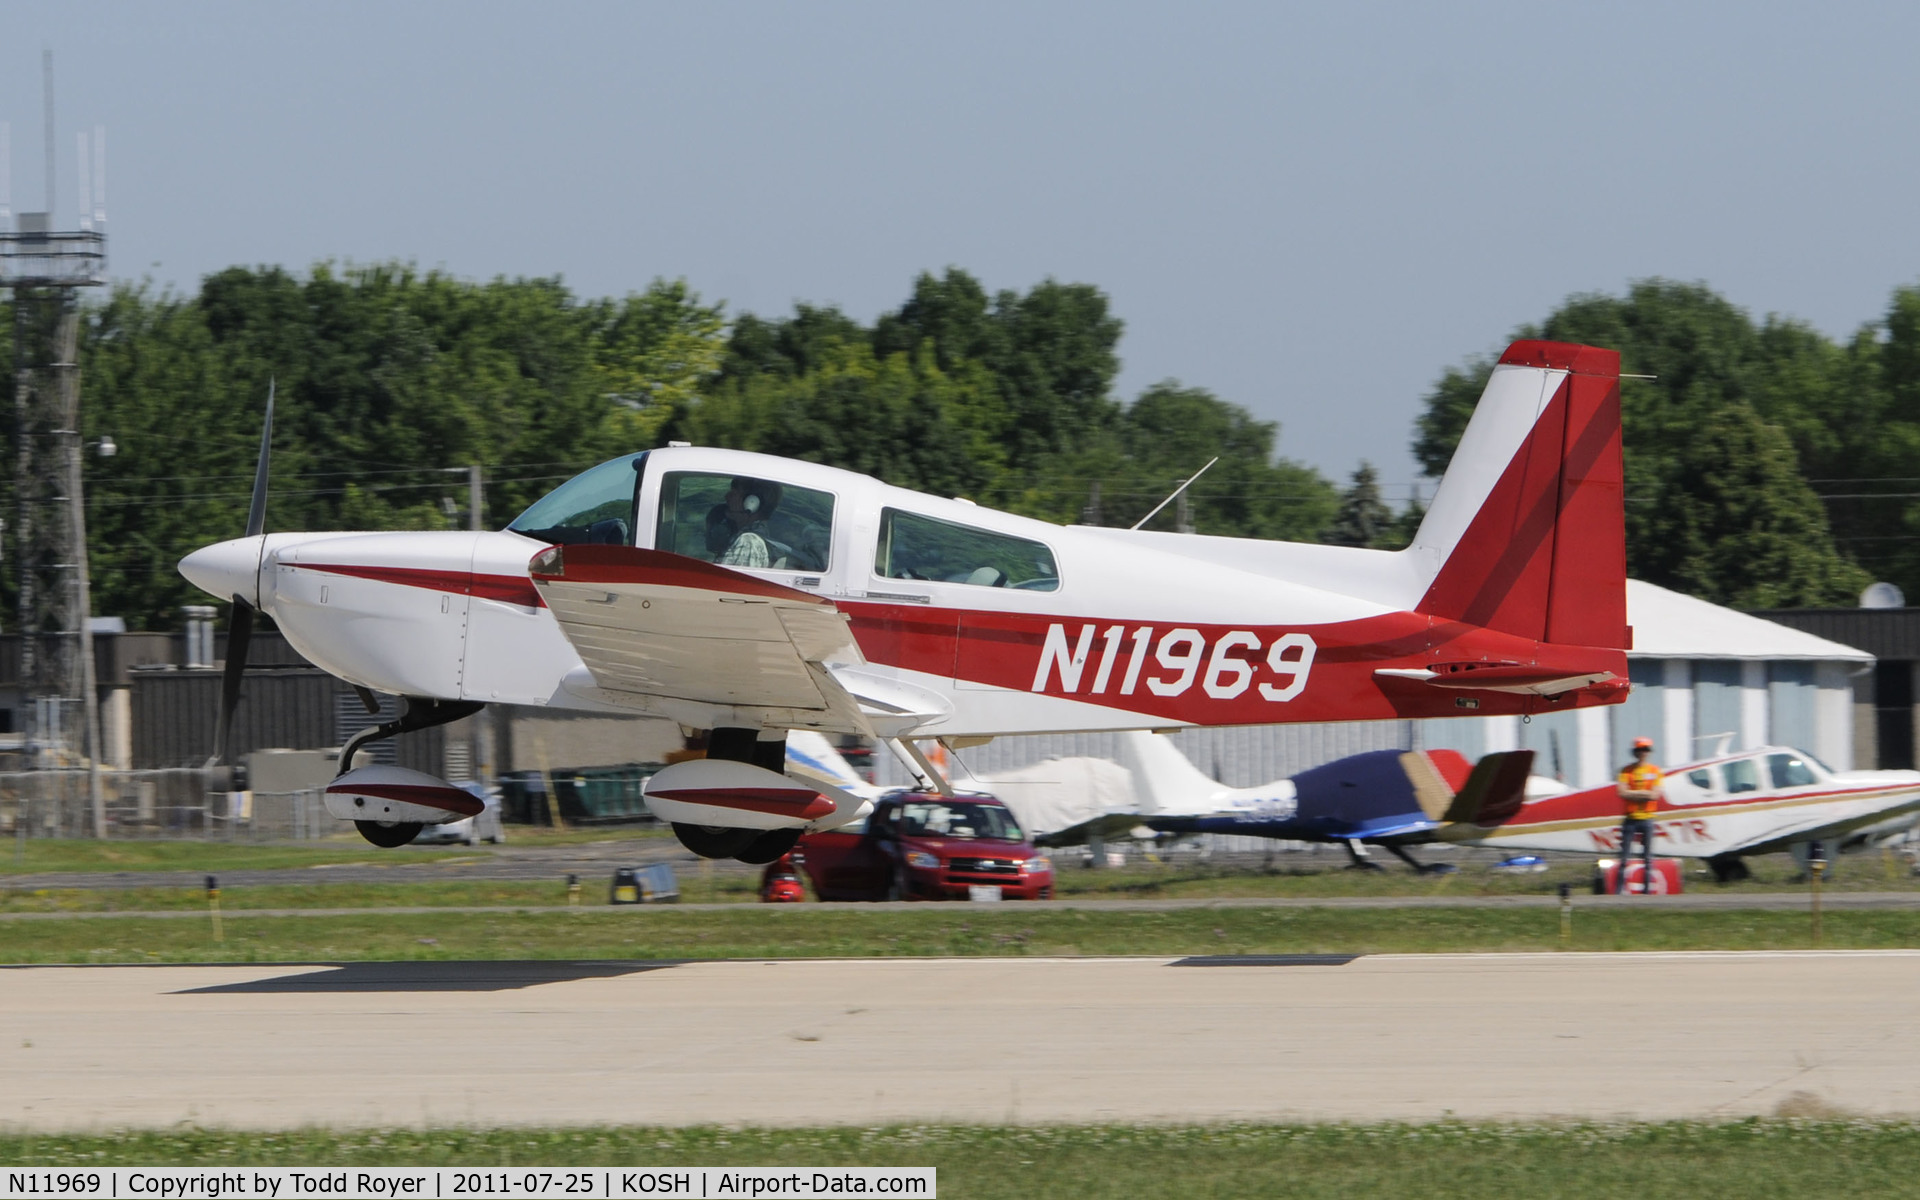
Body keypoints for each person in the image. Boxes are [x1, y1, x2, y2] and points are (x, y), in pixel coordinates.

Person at [1615, 736, 1663, 893]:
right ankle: (1619, 891)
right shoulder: (1626, 771)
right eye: (1641, 750)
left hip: (1648, 818)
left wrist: (1633, 793)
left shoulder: (1655, 771)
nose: (1643, 753)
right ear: (1635, 752)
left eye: (1646, 750)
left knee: (1648, 858)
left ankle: (1647, 891)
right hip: (1631, 818)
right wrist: (1644, 793)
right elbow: (1622, 792)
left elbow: (1655, 795)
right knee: (1624, 858)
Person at [709, 477, 783, 568]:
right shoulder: (747, 537)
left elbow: (734, 581)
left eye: (734, 493)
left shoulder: (748, 542)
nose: (727, 497)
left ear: (752, 502)